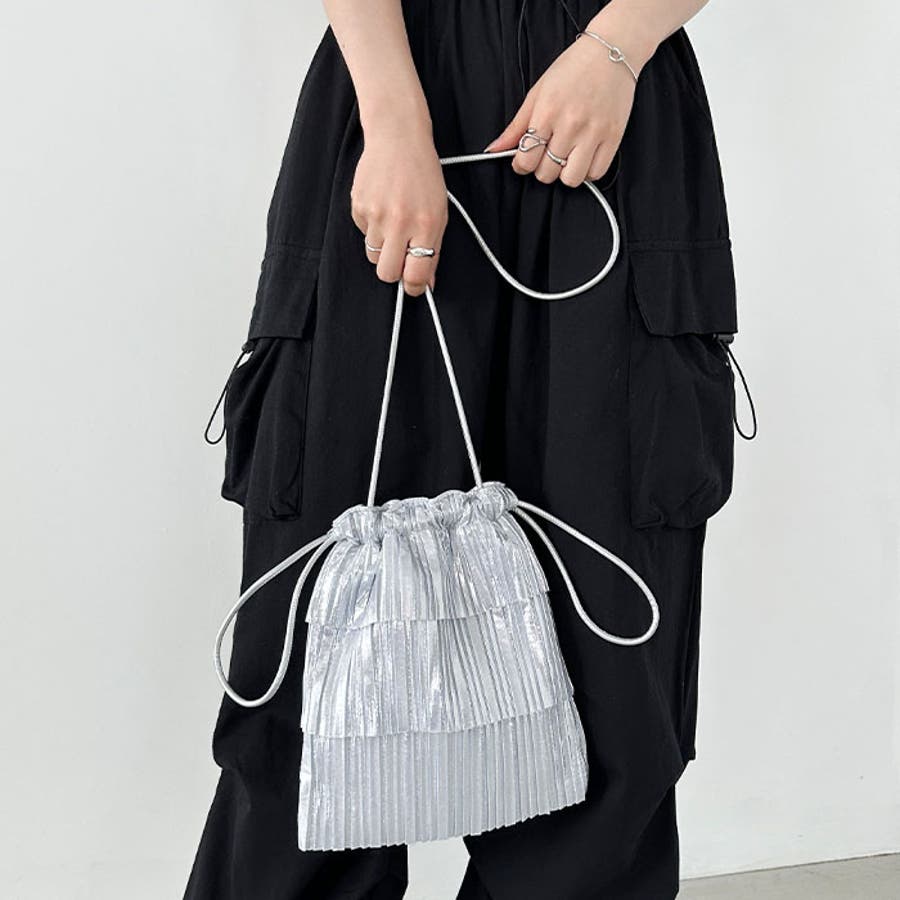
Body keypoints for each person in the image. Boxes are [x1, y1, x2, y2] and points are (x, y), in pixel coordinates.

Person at [187, 0, 745, 896]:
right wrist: (391, 115)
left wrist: (620, 44)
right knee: (320, 656)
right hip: (393, 90)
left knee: (610, 647)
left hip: (607, 116)